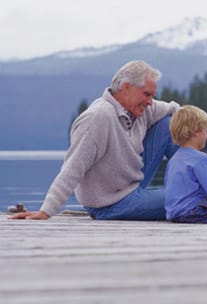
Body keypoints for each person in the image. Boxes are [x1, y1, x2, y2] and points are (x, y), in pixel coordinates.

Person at [9, 60, 180, 220]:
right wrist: (46, 211)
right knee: (185, 197)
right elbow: (73, 167)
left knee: (168, 126)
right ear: (126, 87)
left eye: (152, 96)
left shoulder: (142, 108)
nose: (151, 102)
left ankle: (201, 181)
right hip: (109, 204)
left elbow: (177, 112)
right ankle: (200, 196)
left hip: (131, 185)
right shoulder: (97, 118)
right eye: (146, 94)